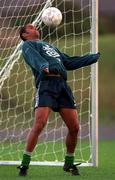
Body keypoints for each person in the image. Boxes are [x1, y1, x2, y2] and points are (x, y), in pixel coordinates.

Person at [17, 23, 100, 176]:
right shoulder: (28, 45)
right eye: (31, 27)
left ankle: (68, 164)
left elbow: (68, 62)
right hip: (47, 85)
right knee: (40, 123)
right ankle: (24, 164)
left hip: (62, 86)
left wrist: (92, 57)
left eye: (35, 27)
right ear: (24, 35)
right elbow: (33, 58)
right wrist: (43, 66)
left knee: (74, 127)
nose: (35, 28)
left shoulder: (51, 47)